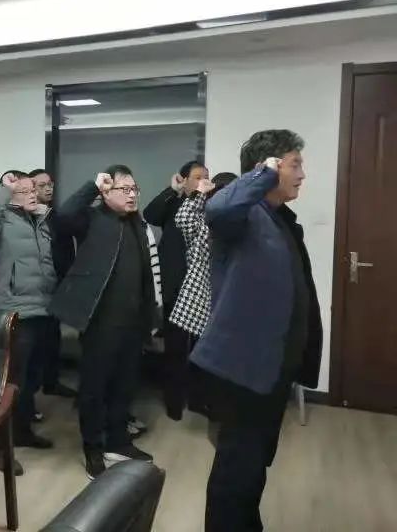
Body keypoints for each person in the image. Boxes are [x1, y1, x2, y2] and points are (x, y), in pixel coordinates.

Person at [190, 131, 322, 532]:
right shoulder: (243, 214)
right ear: (269, 167)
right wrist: (262, 173)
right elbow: (218, 207)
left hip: (271, 367)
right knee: (237, 468)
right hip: (242, 369)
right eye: (294, 165)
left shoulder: (279, 219)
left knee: (254, 463)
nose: (302, 174)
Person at [50, 165, 155, 479]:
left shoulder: (135, 222)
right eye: (124, 189)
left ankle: (118, 442)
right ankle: (93, 449)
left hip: (132, 322)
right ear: (106, 192)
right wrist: (92, 186)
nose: (132, 195)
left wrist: (150, 317)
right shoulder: (91, 218)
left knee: (125, 386)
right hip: (100, 321)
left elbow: (145, 275)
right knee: (94, 389)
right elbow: (63, 216)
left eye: (134, 189)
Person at [0, 172, 58, 449]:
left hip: (43, 308)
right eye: (24, 191)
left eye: (33, 189)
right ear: (10, 198)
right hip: (16, 310)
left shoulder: (40, 220)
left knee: (32, 376)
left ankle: (22, 429)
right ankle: (4, 437)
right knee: (15, 378)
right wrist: (4, 189)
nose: (33, 194)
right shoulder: (1, 222)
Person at [167, 172, 237, 418]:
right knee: (190, 353)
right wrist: (200, 192)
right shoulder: (203, 221)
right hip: (199, 296)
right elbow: (182, 218)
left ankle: (208, 401)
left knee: (215, 356)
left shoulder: (239, 222)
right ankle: (187, 403)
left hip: (227, 297)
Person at [143, 160, 209, 420]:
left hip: (201, 289)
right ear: (184, 180)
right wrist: (173, 190)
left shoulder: (209, 207)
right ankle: (174, 402)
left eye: (206, 177)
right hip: (174, 286)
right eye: (198, 177)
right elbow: (150, 214)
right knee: (175, 349)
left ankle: (198, 399)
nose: (203, 181)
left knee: (201, 348)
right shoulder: (174, 203)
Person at [28, 168, 77, 399]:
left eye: (50, 184)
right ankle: (31, 391)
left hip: (57, 284)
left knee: (52, 336)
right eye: (42, 185)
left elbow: (66, 250)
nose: (48, 189)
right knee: (33, 341)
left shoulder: (55, 215)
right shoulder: (26, 218)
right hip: (34, 288)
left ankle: (51, 381)